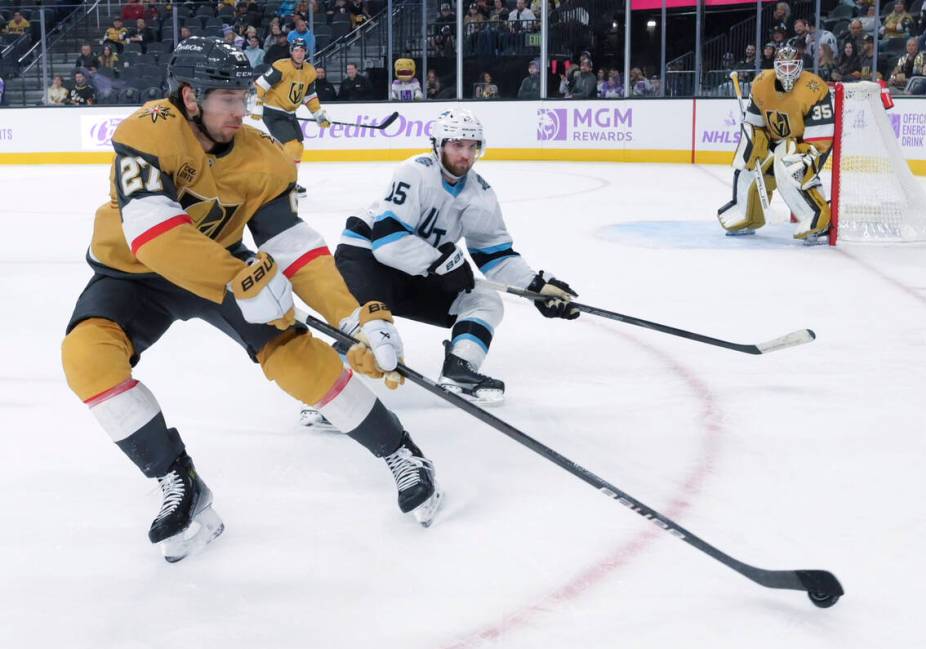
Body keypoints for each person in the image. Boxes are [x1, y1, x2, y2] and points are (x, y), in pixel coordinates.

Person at [60, 36, 441, 564]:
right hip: (135, 273)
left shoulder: (262, 156)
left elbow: (293, 244)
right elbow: (156, 234)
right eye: (227, 100)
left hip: (221, 264)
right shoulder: (146, 133)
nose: (241, 111)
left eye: (243, 97)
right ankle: (180, 481)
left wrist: (352, 315)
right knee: (86, 357)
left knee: (295, 354)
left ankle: (402, 453)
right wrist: (241, 281)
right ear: (190, 97)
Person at [319, 109, 578, 410]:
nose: (465, 155)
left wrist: (535, 287)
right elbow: (387, 243)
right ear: (438, 145)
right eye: (457, 145)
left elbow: (494, 253)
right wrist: (441, 265)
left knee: (485, 301)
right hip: (366, 258)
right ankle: (325, 398)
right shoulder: (414, 172)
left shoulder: (480, 194)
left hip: (418, 269)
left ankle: (459, 370)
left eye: (472, 146)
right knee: (374, 331)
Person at [717, 45, 834, 243]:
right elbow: (756, 124)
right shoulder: (761, 82)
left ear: (800, 66)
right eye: (783, 66)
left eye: (792, 66)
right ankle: (747, 214)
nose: (787, 72)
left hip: (804, 144)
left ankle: (816, 215)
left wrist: (807, 156)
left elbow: (820, 137)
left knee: (790, 168)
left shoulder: (815, 88)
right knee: (748, 167)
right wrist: (755, 143)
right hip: (775, 140)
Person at [252, 38, 330, 198]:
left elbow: (309, 96)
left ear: (306, 52)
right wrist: (258, 103)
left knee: (298, 148)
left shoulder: (310, 71)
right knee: (291, 147)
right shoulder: (281, 66)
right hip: (273, 112)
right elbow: (261, 84)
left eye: (302, 50)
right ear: (291, 51)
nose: (299, 53)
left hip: (289, 113)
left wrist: (318, 114)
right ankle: (284, 183)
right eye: (296, 50)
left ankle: (290, 181)